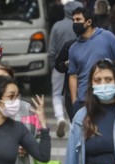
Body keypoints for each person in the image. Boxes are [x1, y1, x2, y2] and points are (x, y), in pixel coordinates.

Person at [68, 7, 115, 117]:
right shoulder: (73, 48)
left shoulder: (107, 37)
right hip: (84, 99)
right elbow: (73, 76)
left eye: (78, 20)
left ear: (89, 22)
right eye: (73, 20)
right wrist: (74, 101)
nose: (75, 23)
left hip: (107, 95)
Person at [48, 0, 84, 137]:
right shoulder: (81, 25)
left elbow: (51, 50)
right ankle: (72, 124)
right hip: (78, 66)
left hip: (60, 63)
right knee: (73, 94)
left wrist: (53, 65)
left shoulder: (57, 26)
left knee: (57, 94)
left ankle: (60, 117)